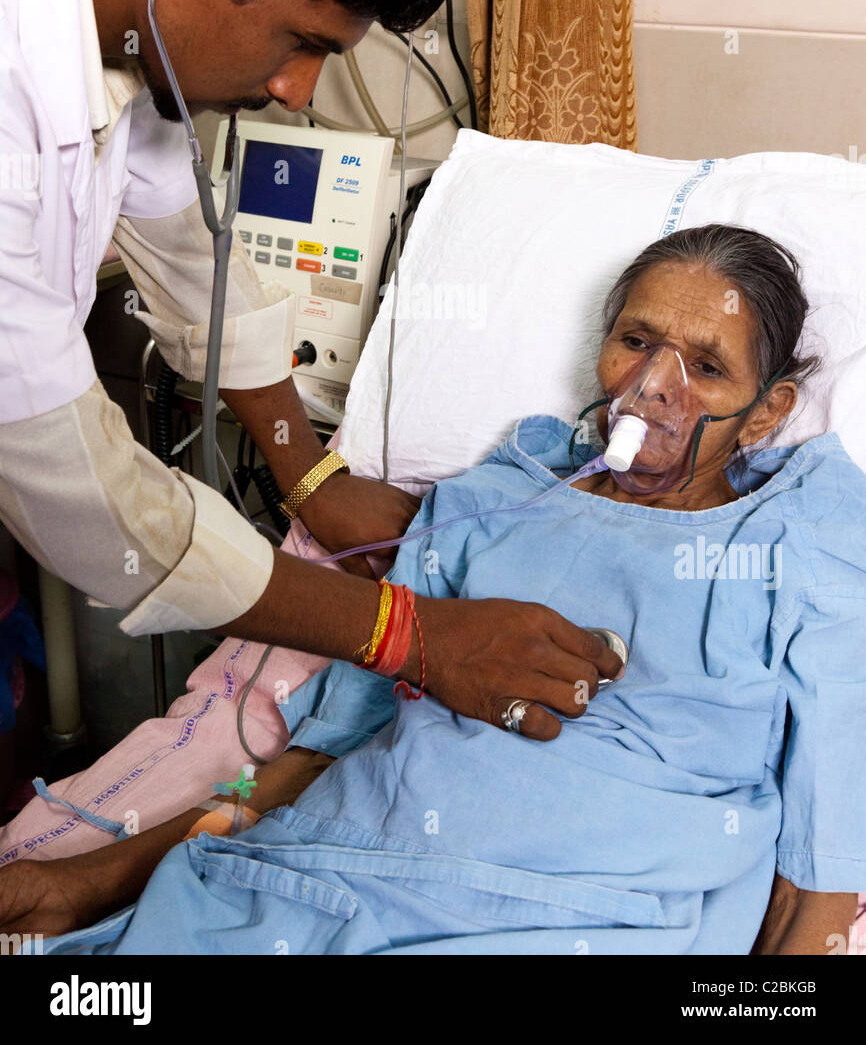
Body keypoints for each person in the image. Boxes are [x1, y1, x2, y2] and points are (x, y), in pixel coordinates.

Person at [3, 224, 863, 955]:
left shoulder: (801, 543)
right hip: (310, 889)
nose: (653, 389)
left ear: (766, 412)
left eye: (706, 368)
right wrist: (86, 882)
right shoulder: (490, 502)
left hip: (573, 923)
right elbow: (315, 759)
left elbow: (816, 892)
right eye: (636, 342)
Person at [0, 0, 617, 734]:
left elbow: (197, 262)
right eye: (299, 41)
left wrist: (310, 472)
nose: (294, 92)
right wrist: (412, 635)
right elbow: (96, 504)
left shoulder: (122, 14)